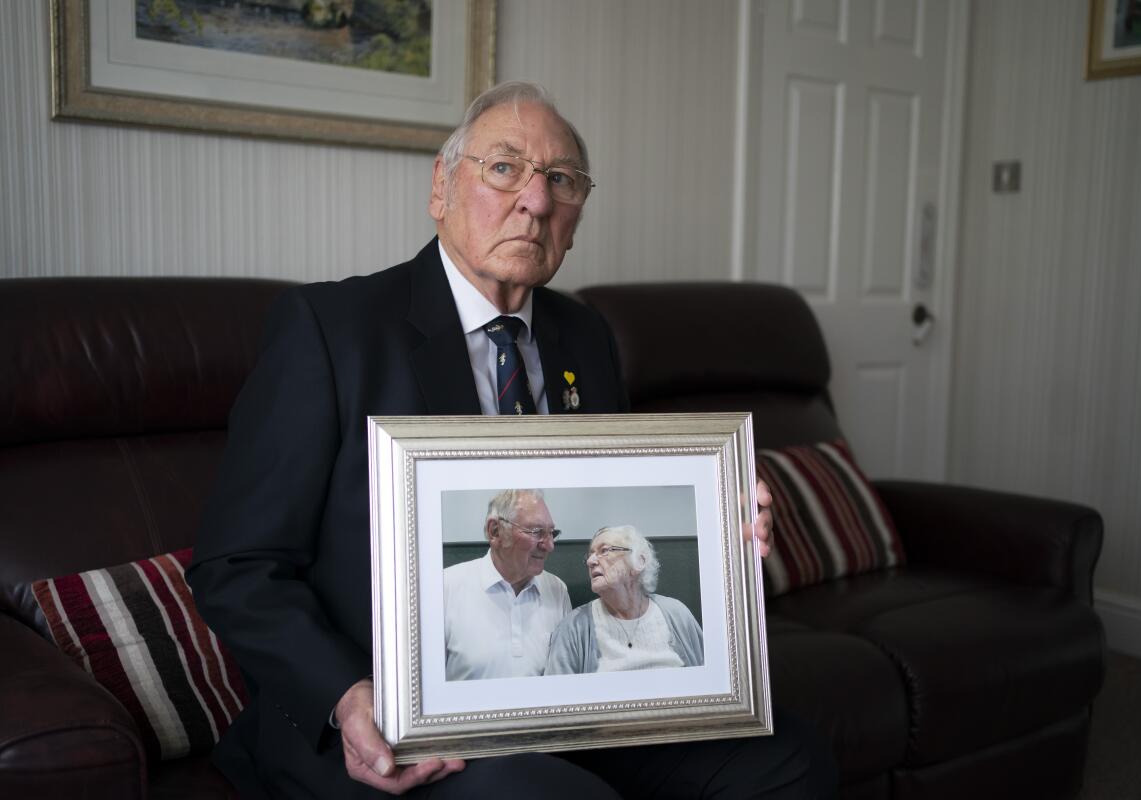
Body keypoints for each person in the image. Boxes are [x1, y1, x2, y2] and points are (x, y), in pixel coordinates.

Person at [188, 80, 834, 798]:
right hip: (389, 718)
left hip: (563, 701)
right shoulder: (330, 330)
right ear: (441, 187)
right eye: (504, 168)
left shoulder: (585, 336)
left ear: (577, 214)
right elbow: (237, 565)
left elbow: (619, 504)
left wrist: (721, 527)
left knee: (790, 759)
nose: (536, 200)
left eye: (561, 180)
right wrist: (346, 696)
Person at [443, 489, 571, 681]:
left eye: (552, 533)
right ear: (495, 531)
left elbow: (565, 677)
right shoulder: (445, 587)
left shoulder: (556, 589)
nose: (549, 545)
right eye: (536, 532)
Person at [545, 525, 702, 674]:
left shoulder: (676, 613)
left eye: (604, 550)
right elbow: (556, 695)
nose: (590, 561)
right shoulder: (574, 627)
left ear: (639, 561)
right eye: (590, 554)